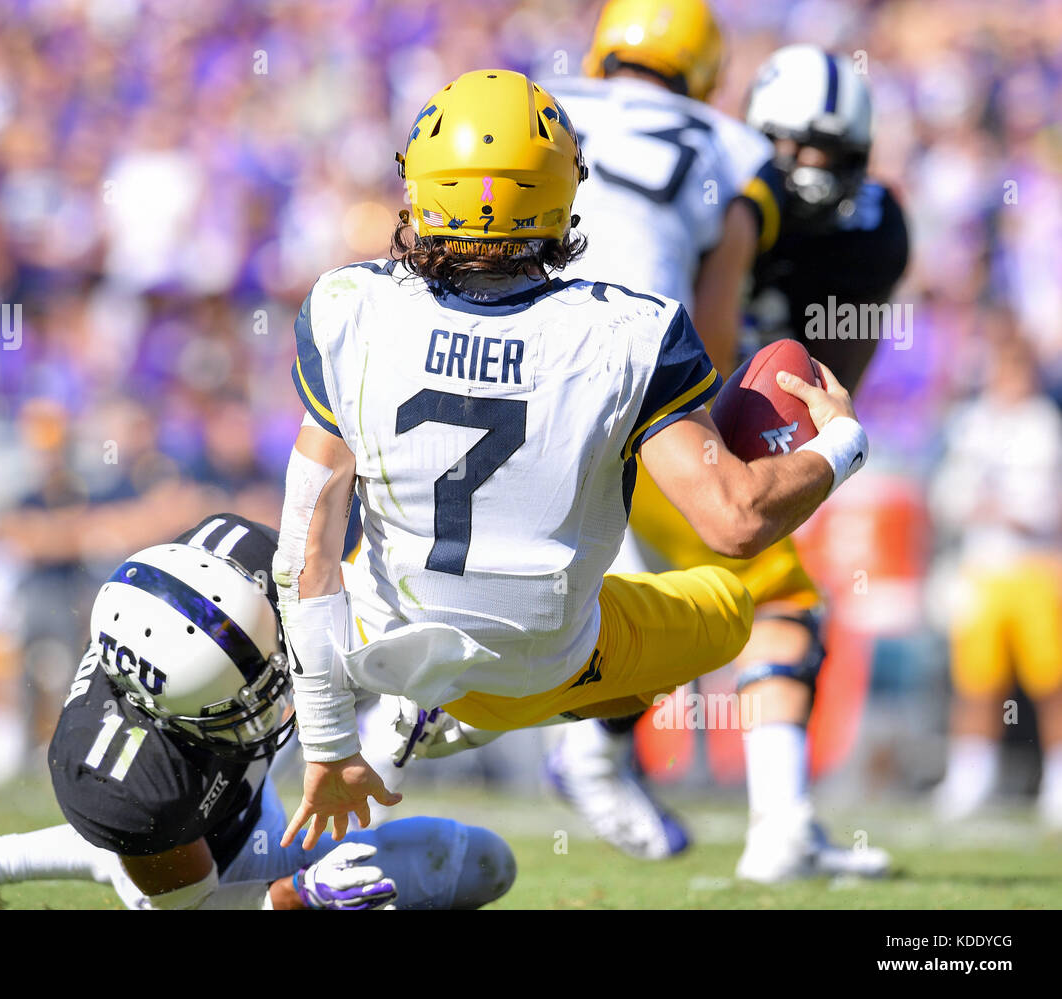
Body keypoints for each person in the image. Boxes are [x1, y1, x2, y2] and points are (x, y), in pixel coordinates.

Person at [271, 66, 870, 853]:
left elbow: (303, 553)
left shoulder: (349, 306)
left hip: (389, 641)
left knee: (276, 558)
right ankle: (582, 735)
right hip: (547, 664)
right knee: (730, 607)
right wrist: (842, 445)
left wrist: (326, 739)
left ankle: (225, 790)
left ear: (420, 185)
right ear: (562, 189)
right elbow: (736, 519)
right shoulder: (632, 329)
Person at [550, 36, 907, 881]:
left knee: (637, 612)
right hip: (671, 412)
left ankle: (586, 748)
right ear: (754, 138)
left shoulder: (853, 225)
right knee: (766, 597)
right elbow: (709, 343)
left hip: (644, 408)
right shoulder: (729, 186)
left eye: (830, 152)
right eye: (791, 148)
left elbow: (827, 374)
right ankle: (775, 828)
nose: (809, 166)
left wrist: (780, 436)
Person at [0, 514, 516, 910]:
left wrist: (404, 703)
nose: (277, 697)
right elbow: (195, 912)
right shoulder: (133, 783)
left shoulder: (239, 564)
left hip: (223, 814)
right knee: (478, 865)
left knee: (484, 855)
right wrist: (297, 897)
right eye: (249, 697)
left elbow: (344, 617)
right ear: (173, 716)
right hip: (196, 870)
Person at [929, 332, 1062, 830]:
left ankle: (1056, 781)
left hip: (1034, 565)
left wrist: (1019, 513)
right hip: (982, 568)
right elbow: (947, 496)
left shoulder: (1044, 424)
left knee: (1050, 680)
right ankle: (971, 776)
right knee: (977, 681)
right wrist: (974, 508)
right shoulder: (971, 424)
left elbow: (1047, 502)